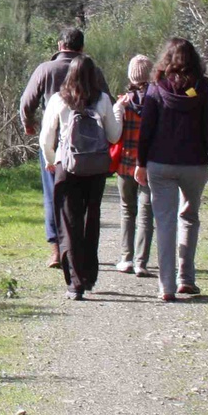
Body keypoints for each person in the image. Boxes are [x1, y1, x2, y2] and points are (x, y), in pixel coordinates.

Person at [133, 38, 208, 301]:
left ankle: (166, 287)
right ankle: (186, 278)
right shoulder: (203, 88)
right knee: (189, 218)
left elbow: (146, 131)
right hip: (195, 165)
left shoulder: (155, 89)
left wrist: (140, 163)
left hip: (160, 165)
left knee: (164, 223)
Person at [19, 28, 110, 268]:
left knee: (54, 196)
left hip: (54, 144)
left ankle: (56, 250)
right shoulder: (93, 71)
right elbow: (106, 101)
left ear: (60, 45)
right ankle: (78, 249)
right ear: (82, 48)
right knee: (85, 199)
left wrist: (29, 124)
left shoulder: (45, 70)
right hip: (87, 146)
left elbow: (26, 103)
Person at [38, 55, 121, 299]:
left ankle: (75, 283)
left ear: (70, 75)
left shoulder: (58, 100)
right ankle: (89, 275)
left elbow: (46, 138)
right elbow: (114, 137)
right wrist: (118, 112)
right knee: (90, 220)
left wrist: (52, 161)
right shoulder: (103, 99)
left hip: (67, 168)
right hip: (95, 169)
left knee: (69, 224)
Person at [112, 54, 154, 276]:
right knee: (147, 214)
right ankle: (141, 262)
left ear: (131, 75)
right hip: (149, 165)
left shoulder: (123, 102)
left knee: (128, 210)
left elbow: (114, 133)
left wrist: (117, 109)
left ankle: (126, 259)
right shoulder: (158, 100)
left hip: (126, 164)